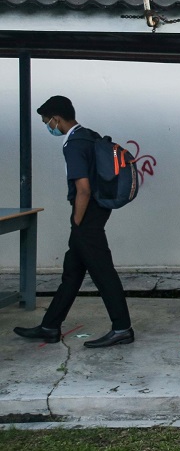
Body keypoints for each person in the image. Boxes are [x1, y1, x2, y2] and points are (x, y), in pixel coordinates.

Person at [13, 96, 134, 348]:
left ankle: (122, 328)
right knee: (72, 272)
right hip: (98, 210)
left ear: (56, 118)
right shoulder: (90, 136)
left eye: (47, 121)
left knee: (103, 273)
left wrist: (76, 223)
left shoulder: (74, 144)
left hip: (86, 215)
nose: (48, 126)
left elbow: (83, 189)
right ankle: (49, 327)